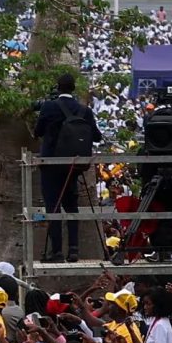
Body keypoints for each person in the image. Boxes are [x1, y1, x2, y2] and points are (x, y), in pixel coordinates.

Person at [32, 73, 100, 264]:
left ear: (58, 87)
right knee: (72, 207)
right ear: (73, 88)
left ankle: (56, 252)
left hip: (51, 167)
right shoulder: (84, 110)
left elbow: (37, 132)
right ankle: (73, 250)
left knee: (53, 208)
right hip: (74, 166)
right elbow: (96, 137)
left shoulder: (49, 107)